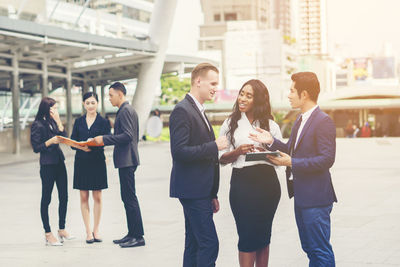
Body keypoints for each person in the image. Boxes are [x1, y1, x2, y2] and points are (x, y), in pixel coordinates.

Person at [249, 72, 337, 266]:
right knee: (310, 249)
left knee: (320, 250)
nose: (289, 95)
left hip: (316, 198)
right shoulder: (300, 119)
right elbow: (291, 150)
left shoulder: (323, 121)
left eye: (292, 91)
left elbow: (326, 159)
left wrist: (292, 163)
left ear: (304, 94)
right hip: (302, 196)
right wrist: (271, 141)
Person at [169, 63, 228, 267]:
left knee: (194, 243)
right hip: (192, 190)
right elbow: (179, 151)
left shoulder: (198, 109)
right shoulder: (182, 110)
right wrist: (214, 146)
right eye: (213, 83)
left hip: (200, 190)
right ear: (198, 81)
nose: (215, 88)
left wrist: (212, 193)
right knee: (209, 243)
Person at [219, 79, 282, 267]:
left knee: (263, 235)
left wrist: (267, 150)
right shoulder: (230, 123)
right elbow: (220, 158)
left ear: (259, 100)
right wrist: (238, 152)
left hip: (268, 183)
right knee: (246, 235)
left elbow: (282, 156)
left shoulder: (271, 125)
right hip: (242, 184)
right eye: (241, 93)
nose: (242, 99)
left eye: (249, 95)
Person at [93, 82, 144, 248]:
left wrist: (105, 139)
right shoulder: (124, 110)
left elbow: (128, 136)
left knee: (130, 198)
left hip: (127, 160)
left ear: (120, 94)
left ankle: (138, 237)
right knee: (127, 197)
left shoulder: (126, 111)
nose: (109, 98)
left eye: (111, 95)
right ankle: (132, 234)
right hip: (126, 160)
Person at [30, 97, 74, 246]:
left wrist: (59, 122)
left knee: (64, 196)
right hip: (47, 165)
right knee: (46, 199)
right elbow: (36, 148)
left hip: (59, 163)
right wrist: (50, 141)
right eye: (54, 108)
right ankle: (48, 233)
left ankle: (61, 229)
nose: (56, 111)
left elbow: (65, 137)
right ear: (46, 109)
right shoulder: (37, 124)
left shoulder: (53, 122)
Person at [70, 92, 111, 244]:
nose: (90, 106)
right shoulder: (78, 121)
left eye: (93, 103)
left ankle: (96, 230)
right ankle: (88, 232)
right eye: (88, 103)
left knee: (98, 196)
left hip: (97, 161)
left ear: (97, 103)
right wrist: (80, 147)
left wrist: (95, 142)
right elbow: (72, 141)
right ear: (83, 104)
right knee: (83, 197)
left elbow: (107, 139)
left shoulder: (103, 122)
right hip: (81, 161)